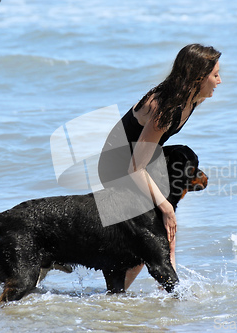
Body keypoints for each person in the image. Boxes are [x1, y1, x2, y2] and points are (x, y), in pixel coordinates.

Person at [98, 43, 222, 290]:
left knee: (184, 162)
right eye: (215, 75)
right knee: (156, 228)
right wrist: (165, 206)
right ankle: (118, 295)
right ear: (198, 77)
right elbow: (134, 167)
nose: (219, 81)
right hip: (118, 166)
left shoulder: (192, 99)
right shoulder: (166, 107)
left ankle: (170, 282)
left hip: (141, 157)